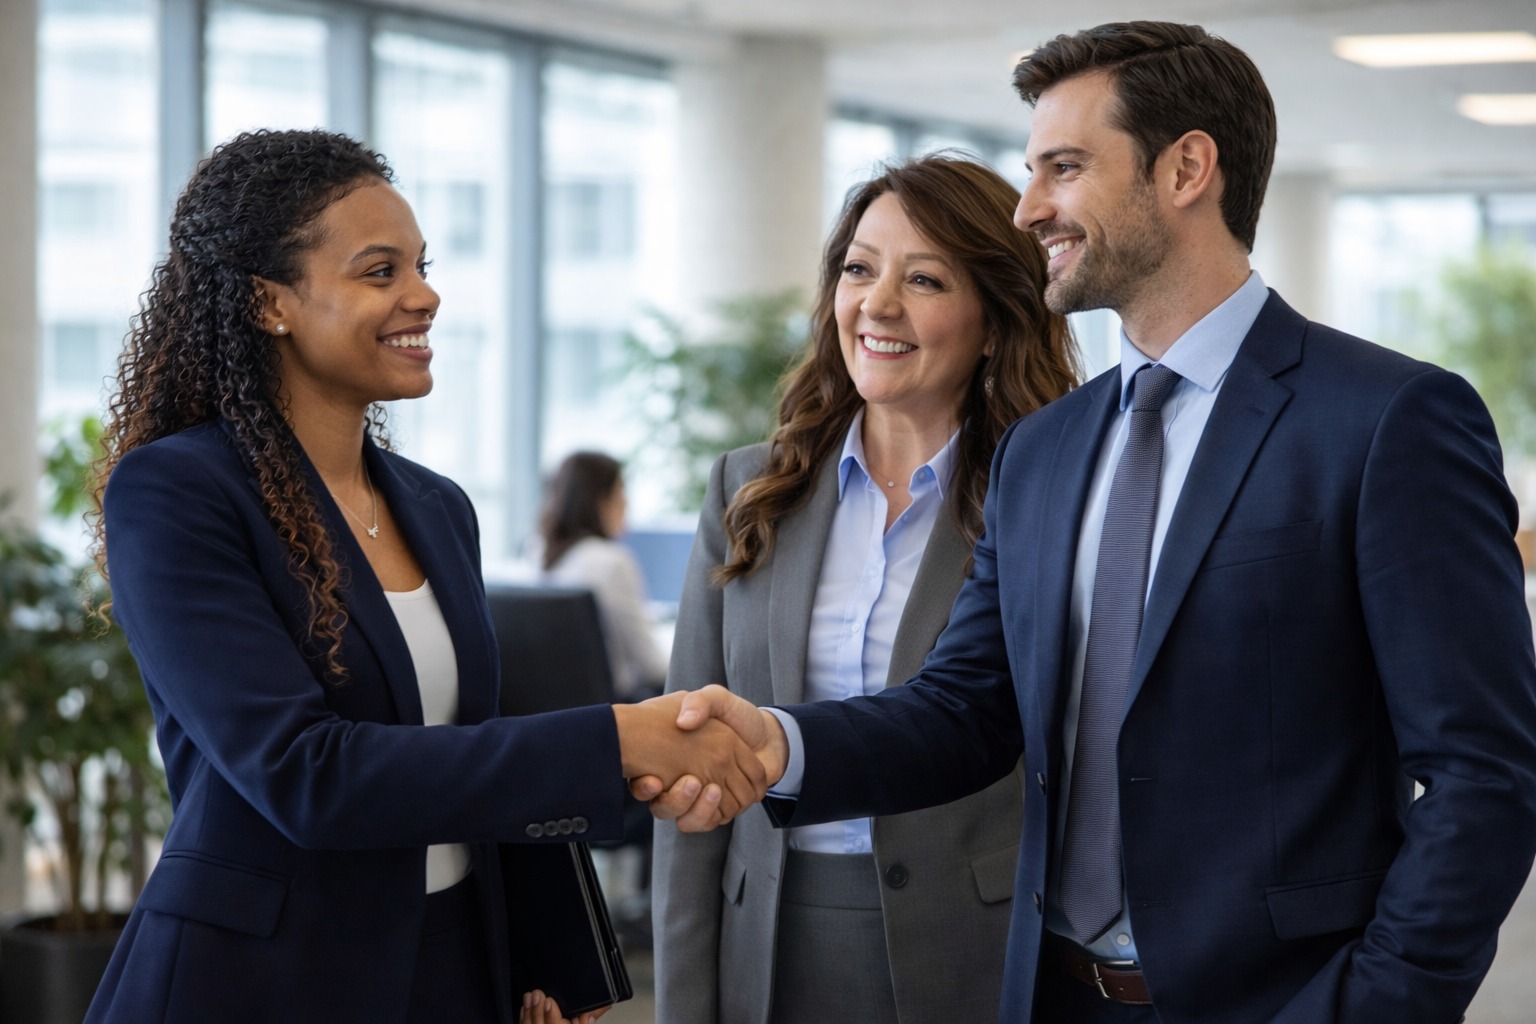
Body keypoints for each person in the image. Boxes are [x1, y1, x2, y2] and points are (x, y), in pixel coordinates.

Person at [647, 21, 1536, 1024]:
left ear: (1187, 168)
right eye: (1032, 171)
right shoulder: (1048, 450)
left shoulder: (1386, 421)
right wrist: (776, 744)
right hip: (1053, 995)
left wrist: (1375, 1006)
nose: (1029, 209)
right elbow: (966, 707)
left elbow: (1482, 775)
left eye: (1064, 169)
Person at [86, 128, 763, 1024]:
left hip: (452, 963)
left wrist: (546, 955)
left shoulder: (436, 507)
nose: (426, 295)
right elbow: (306, 775)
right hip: (262, 980)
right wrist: (617, 738)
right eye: (380, 272)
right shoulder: (176, 492)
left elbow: (467, 741)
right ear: (269, 304)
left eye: (422, 265)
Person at [651, 154, 1080, 1024]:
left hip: (973, 950)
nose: (877, 305)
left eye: (923, 279)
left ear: (996, 321)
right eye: (858, 268)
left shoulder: (1047, 497)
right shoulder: (747, 490)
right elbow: (685, 761)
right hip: (764, 943)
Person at [538, 451, 668, 700]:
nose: (627, 503)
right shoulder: (612, 562)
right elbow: (652, 667)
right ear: (600, 500)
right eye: (620, 491)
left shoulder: (538, 555)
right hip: (619, 709)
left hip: (558, 711)